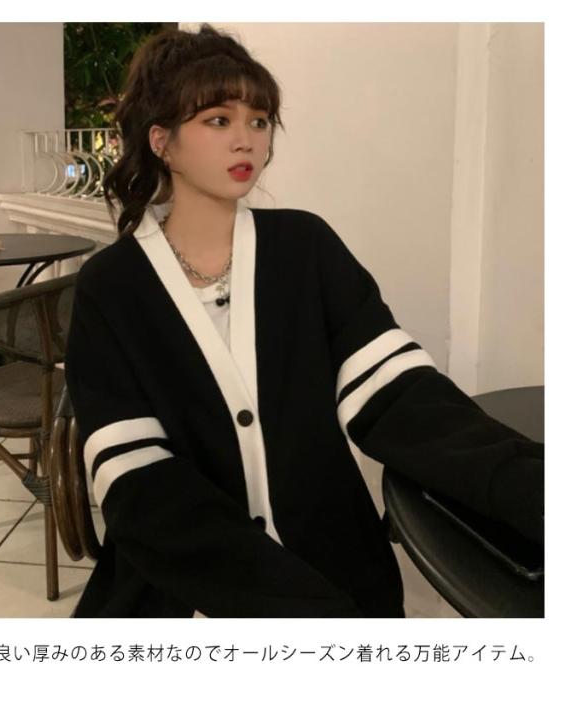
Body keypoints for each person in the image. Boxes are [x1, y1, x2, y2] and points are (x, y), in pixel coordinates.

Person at [64, 23, 544, 618]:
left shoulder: (304, 248)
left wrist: (530, 489)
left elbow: (398, 398)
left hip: (336, 565)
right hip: (177, 592)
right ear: (162, 140)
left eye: (259, 120)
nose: (246, 141)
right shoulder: (112, 286)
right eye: (218, 120)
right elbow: (139, 480)